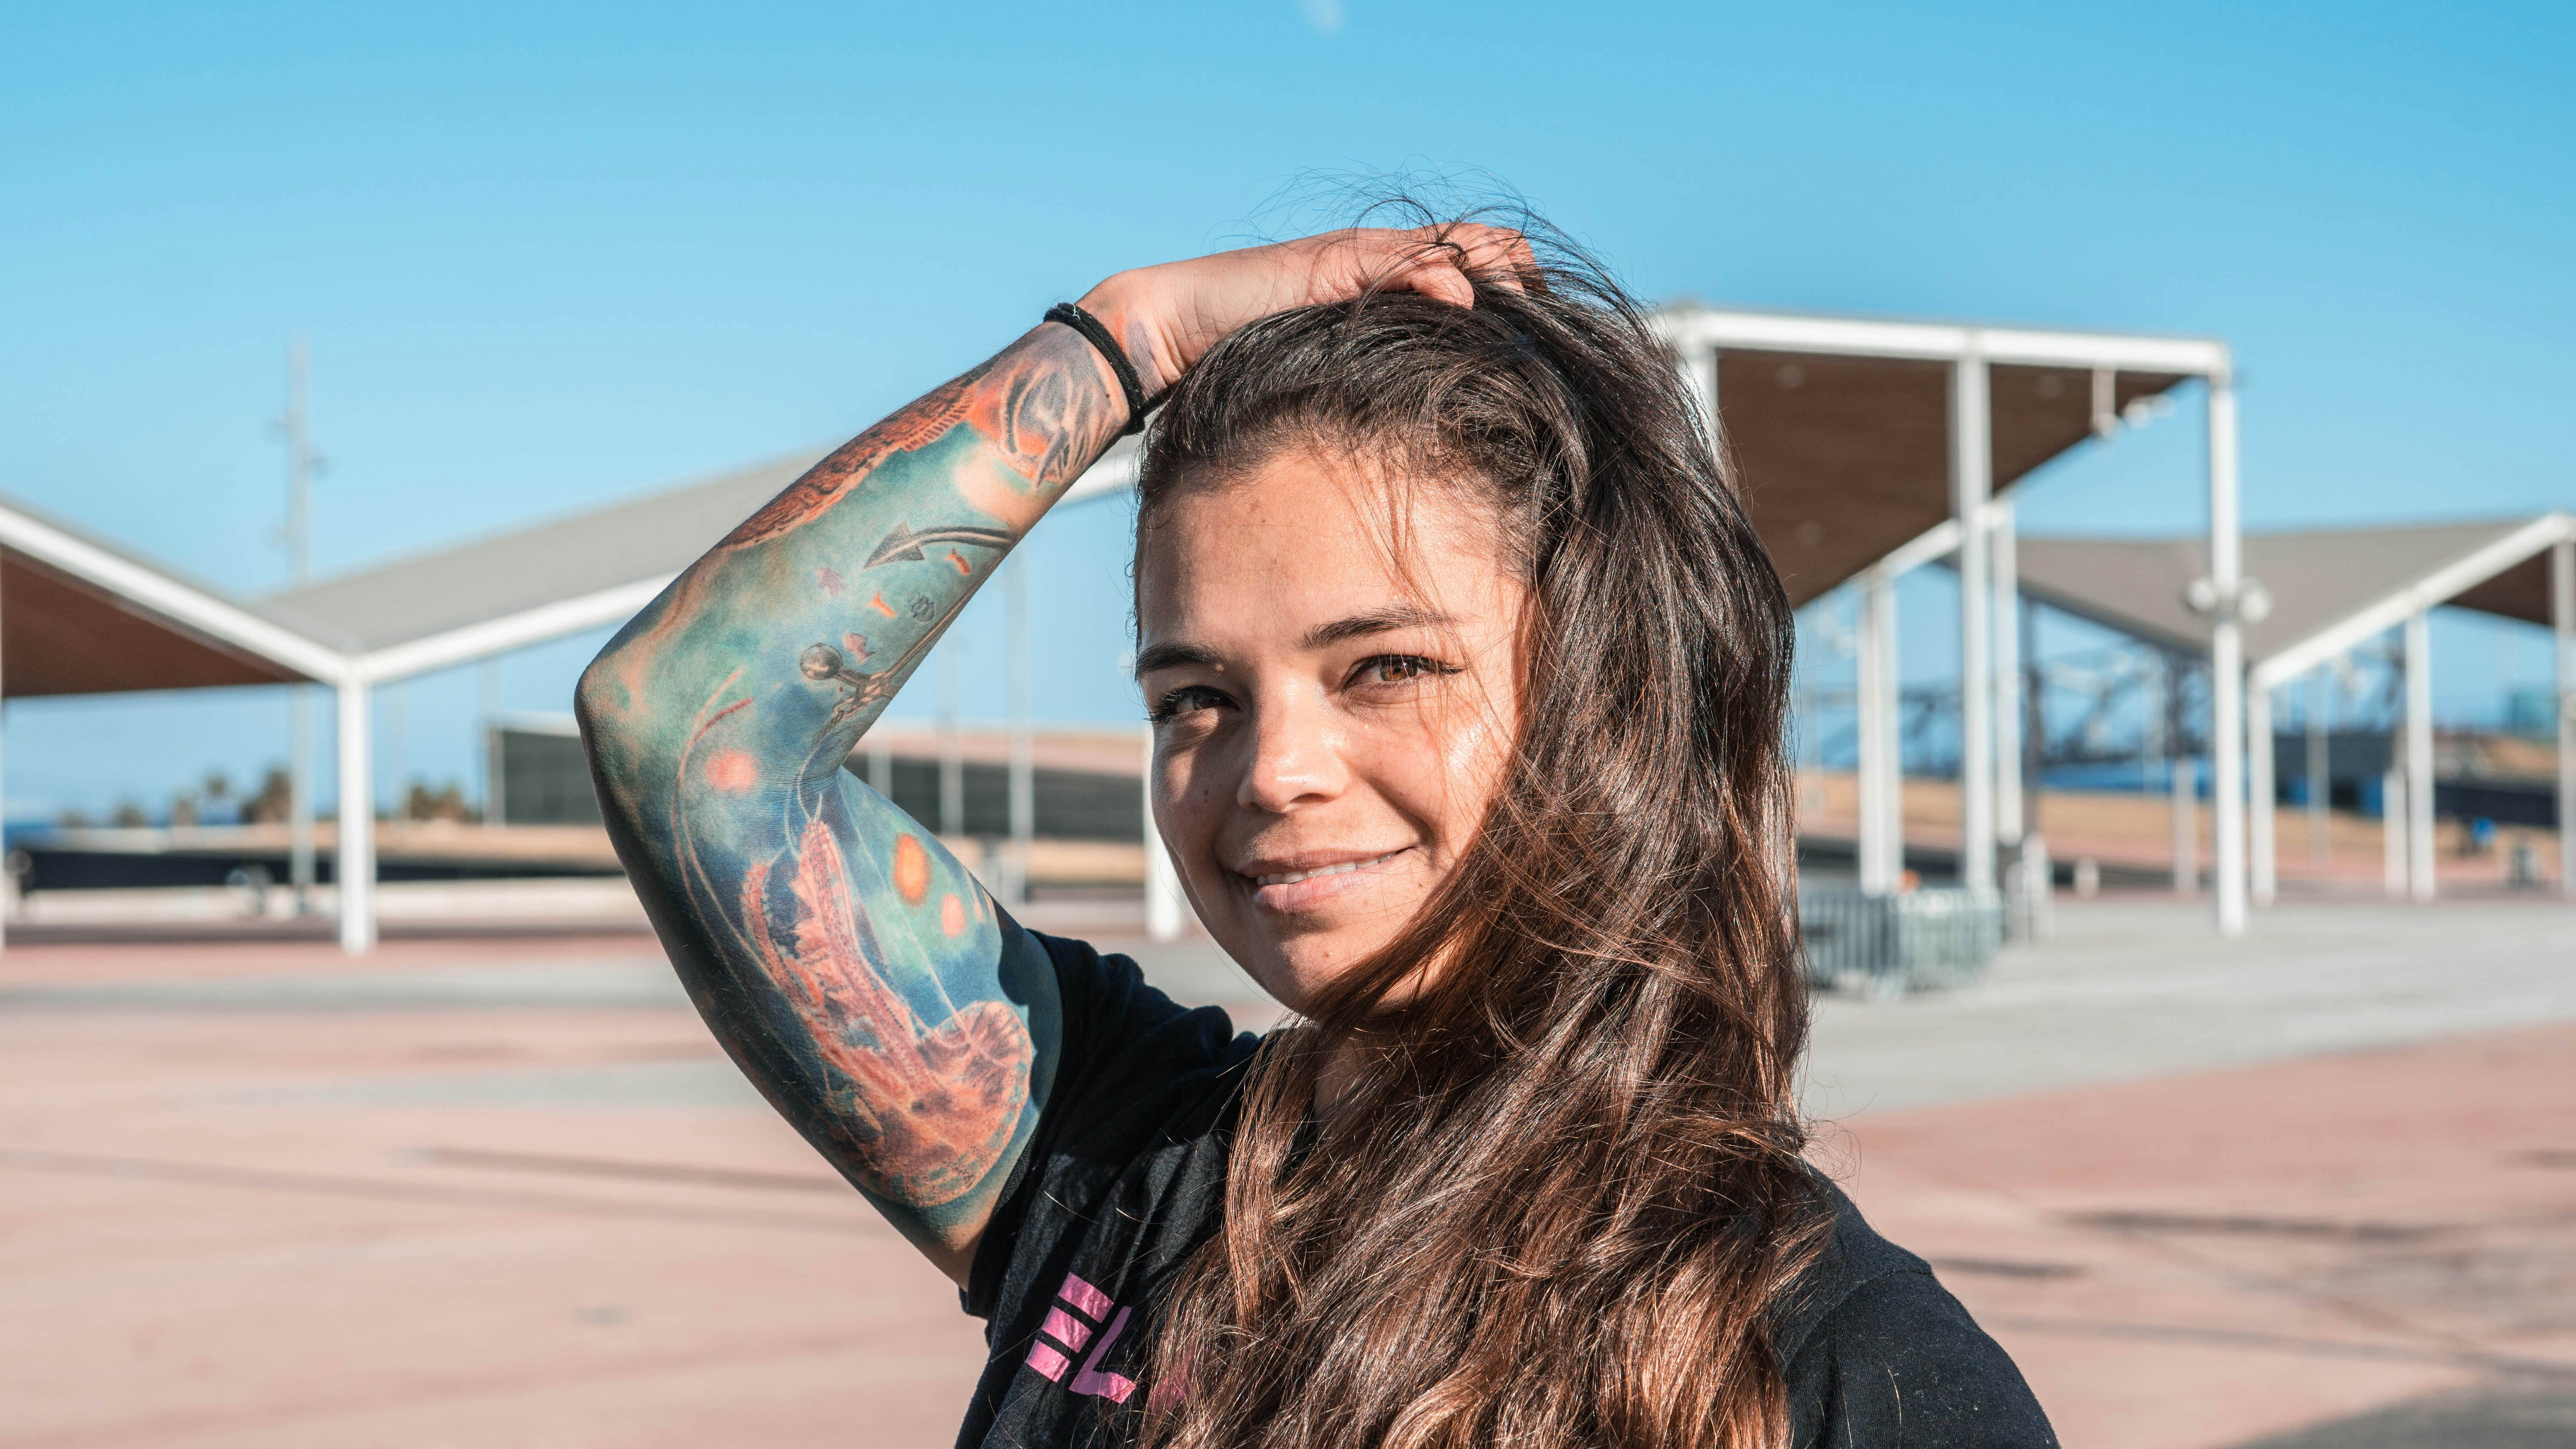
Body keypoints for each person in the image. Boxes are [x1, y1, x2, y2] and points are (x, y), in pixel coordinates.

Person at [577, 214, 2056, 1449]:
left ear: (1606, 700)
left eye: (1386, 669)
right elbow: (684, 731)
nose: (1274, 769)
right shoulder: (1113, 1155)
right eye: (1197, 696)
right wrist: (1124, 339)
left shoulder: (1856, 1372)